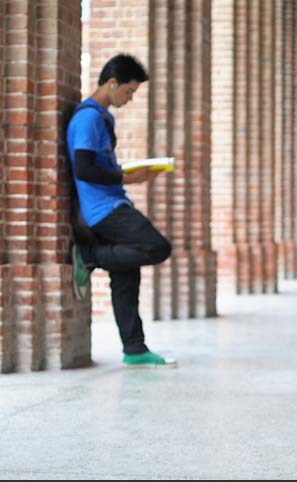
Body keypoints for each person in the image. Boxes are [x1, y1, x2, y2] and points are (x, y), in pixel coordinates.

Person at [66, 54, 175, 368]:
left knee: (127, 278)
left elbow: (99, 165)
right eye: (129, 91)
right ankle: (89, 256)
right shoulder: (87, 118)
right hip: (103, 209)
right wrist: (127, 176)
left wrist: (130, 174)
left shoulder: (104, 118)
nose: (130, 98)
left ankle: (135, 349)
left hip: (114, 201)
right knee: (156, 247)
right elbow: (84, 169)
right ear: (111, 84)